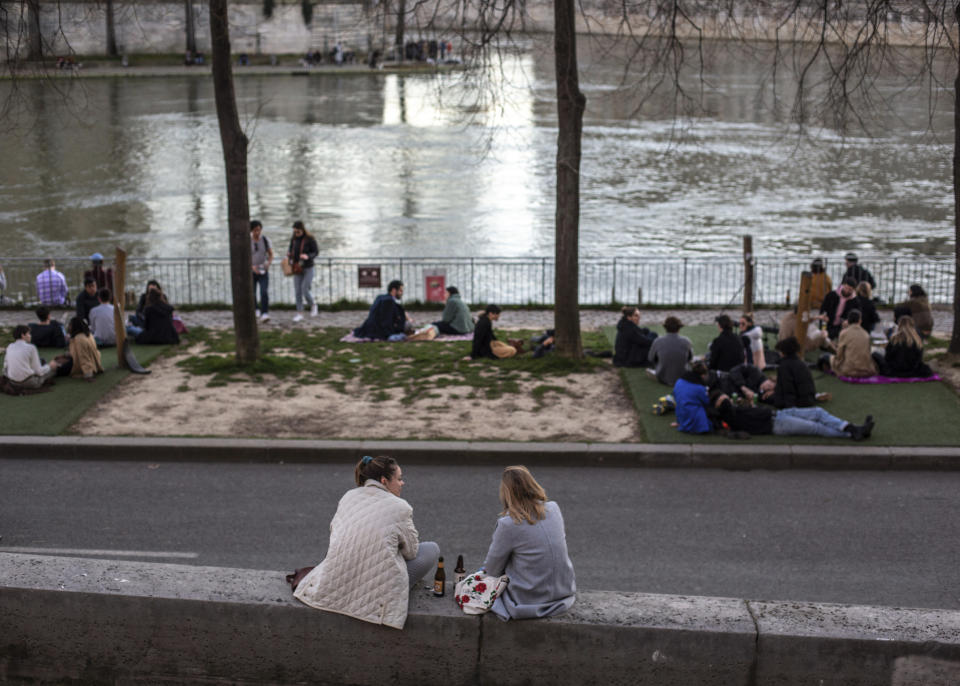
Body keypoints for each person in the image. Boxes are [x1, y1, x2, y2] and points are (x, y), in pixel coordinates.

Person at [293, 455, 439, 630]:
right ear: (384, 481)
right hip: (377, 597)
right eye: (399, 479)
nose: (402, 483)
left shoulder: (349, 496)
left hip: (335, 579)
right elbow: (412, 552)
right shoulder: (401, 507)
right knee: (431, 549)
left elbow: (336, 535)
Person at [480, 466, 576, 620]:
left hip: (530, 599)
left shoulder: (508, 524)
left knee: (481, 579)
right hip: (564, 592)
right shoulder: (553, 508)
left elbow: (492, 569)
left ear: (506, 494)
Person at [710, 390, 875, 440]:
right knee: (815, 427)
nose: (727, 399)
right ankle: (851, 434)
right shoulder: (727, 414)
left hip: (778, 414)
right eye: (723, 399)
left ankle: (853, 428)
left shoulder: (731, 411)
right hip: (776, 424)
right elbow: (727, 409)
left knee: (817, 412)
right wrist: (723, 401)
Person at [2, 325, 60, 390]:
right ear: (23, 335)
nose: (30, 336)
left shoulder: (9, 346)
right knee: (53, 369)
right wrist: (50, 366)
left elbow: (5, 368)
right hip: (30, 383)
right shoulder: (31, 348)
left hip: (13, 383)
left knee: (41, 361)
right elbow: (39, 372)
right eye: (29, 333)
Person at [772, 337, 818, 408]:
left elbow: (788, 388)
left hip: (799, 403)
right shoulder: (801, 363)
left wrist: (790, 407)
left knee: (765, 397)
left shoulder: (785, 366)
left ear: (784, 352)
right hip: (809, 400)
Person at [829, 310, 877, 378]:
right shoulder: (866, 334)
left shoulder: (844, 333)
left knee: (831, 358)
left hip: (849, 370)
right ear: (859, 320)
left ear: (848, 320)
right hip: (866, 369)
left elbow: (839, 355)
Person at [647, 316, 693, 386]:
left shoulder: (658, 341)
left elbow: (650, 358)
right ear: (679, 328)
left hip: (662, 377)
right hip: (683, 377)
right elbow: (690, 358)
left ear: (665, 328)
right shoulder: (686, 341)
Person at [287, 220, 319, 322]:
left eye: (298, 232)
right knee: (298, 291)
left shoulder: (310, 239)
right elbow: (291, 249)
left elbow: (316, 252)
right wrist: (289, 255)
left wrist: (307, 256)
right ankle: (299, 313)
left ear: (302, 230)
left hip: (308, 267)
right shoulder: (293, 239)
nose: (296, 234)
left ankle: (313, 305)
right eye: (295, 232)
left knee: (305, 289)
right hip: (297, 268)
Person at [673, 360, 712, 435]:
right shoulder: (699, 388)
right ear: (703, 375)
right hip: (694, 419)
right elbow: (707, 402)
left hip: (680, 414)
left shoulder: (680, 381)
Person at [251, 220, 274, 322]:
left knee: (264, 291)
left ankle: (265, 312)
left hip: (263, 270)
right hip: (252, 271)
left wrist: (268, 263)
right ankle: (255, 309)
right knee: (252, 292)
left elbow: (271, 254)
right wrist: (252, 267)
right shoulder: (248, 241)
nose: (257, 232)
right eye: (255, 230)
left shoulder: (265, 240)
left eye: (259, 230)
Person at [67, 317, 103, 381]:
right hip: (93, 364)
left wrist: (88, 374)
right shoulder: (89, 335)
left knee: (55, 364)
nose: (68, 327)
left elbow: (83, 356)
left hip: (78, 366)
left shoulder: (79, 338)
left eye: (70, 325)